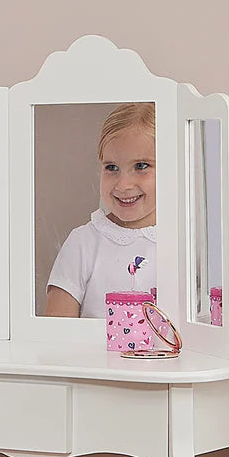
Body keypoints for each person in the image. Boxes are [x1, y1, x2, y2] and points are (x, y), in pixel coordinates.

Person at [44, 102, 158, 319]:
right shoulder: (83, 243)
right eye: (111, 168)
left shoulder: (184, 244)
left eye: (141, 166)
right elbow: (56, 336)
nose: (123, 185)